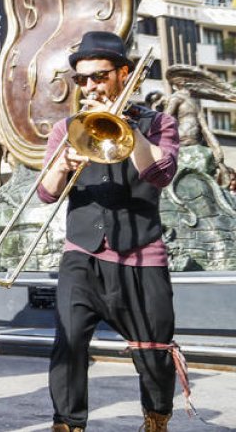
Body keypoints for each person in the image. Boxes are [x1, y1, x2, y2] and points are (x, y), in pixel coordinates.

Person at [38, 32, 182, 432]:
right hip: (81, 252)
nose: (90, 86)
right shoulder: (67, 128)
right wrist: (63, 164)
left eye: (99, 76)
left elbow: (160, 174)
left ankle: (156, 418)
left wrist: (125, 127)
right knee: (68, 343)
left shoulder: (159, 124)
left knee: (153, 352)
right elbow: (47, 193)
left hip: (141, 253)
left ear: (124, 74)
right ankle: (68, 424)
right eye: (82, 79)